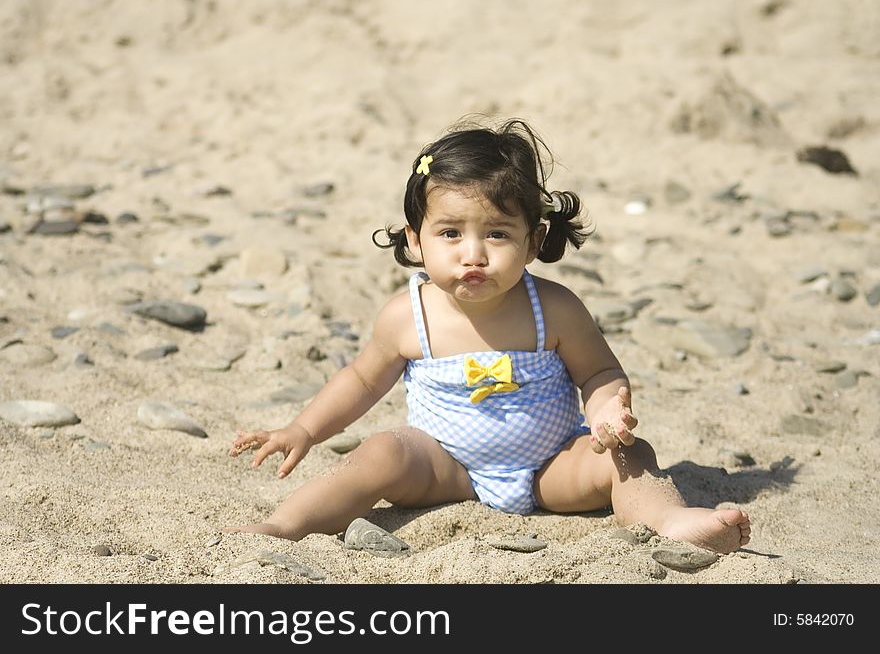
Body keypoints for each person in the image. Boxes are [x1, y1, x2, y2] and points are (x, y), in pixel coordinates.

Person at [227, 118, 750, 554]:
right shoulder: (408, 316)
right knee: (381, 451)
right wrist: (304, 429)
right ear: (416, 240)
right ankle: (286, 525)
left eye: (497, 233)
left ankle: (673, 522)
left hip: (551, 467)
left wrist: (606, 413)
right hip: (446, 469)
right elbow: (363, 381)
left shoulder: (554, 308)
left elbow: (599, 371)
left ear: (532, 242)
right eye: (450, 233)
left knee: (630, 456)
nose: (473, 253)